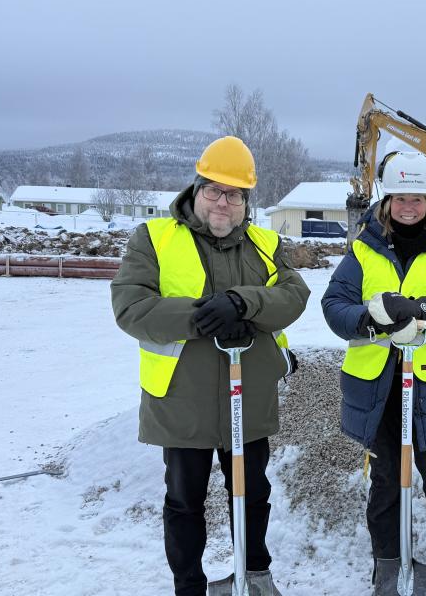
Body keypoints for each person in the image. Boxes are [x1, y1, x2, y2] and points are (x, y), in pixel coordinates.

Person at [111, 136, 310, 596]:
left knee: (252, 494)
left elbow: (294, 295)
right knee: (184, 501)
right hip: (183, 402)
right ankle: (189, 587)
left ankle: (255, 577)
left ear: (246, 202)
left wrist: (242, 303)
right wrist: (205, 316)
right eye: (215, 190)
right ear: (196, 189)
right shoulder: (153, 239)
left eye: (235, 195)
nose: (224, 202)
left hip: (249, 396)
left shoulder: (265, 244)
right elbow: (131, 308)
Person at [321, 151, 426, 596]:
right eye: (400, 198)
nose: (409, 207)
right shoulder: (363, 250)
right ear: (387, 201)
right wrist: (370, 320)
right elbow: (334, 306)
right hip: (377, 390)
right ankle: (389, 572)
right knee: (385, 485)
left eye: (417, 199)